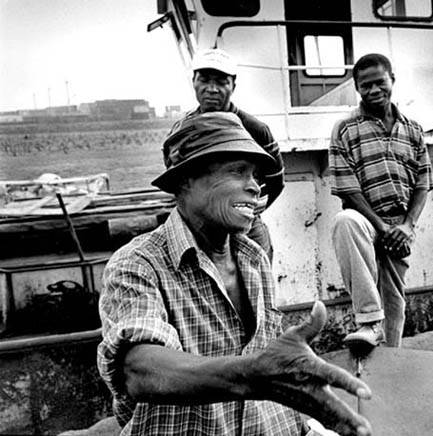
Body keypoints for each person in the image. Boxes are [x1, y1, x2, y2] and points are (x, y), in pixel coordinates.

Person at [97, 112, 372, 436]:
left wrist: (306, 425)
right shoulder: (138, 263)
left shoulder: (254, 257)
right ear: (186, 180)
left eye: (256, 175)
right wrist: (253, 375)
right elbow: (140, 370)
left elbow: (270, 373)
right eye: (238, 171)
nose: (255, 186)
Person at [328, 53, 433, 348]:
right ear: (357, 88)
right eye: (365, 86)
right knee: (345, 221)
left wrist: (407, 226)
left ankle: (391, 361)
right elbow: (346, 188)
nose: (374, 90)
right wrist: (381, 227)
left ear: (392, 80)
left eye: (379, 83)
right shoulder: (345, 129)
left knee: (394, 303)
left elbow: (423, 182)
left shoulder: (413, 130)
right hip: (366, 220)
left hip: (400, 224)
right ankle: (368, 321)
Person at [170, 48, 284, 263]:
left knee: (259, 286)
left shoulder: (256, 129)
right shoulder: (182, 131)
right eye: (204, 79)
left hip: (248, 229)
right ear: (193, 81)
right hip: (198, 229)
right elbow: (177, 181)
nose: (211, 89)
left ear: (233, 85)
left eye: (221, 82)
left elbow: (277, 181)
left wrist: (250, 211)